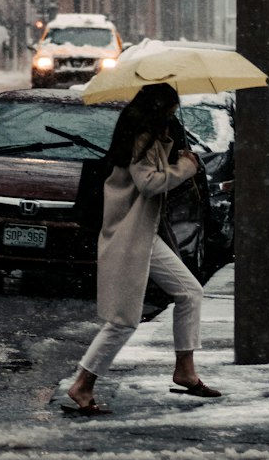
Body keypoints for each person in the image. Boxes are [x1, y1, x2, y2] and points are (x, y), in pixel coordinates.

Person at [63, 81, 222, 415]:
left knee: (189, 292)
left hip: (145, 234)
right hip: (128, 236)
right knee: (123, 320)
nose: (174, 119)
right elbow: (149, 183)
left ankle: (185, 370)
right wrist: (186, 167)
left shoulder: (149, 140)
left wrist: (175, 156)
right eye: (172, 112)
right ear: (159, 111)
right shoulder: (141, 141)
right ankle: (82, 384)